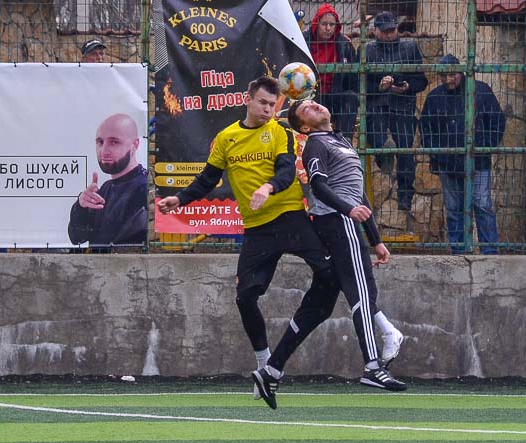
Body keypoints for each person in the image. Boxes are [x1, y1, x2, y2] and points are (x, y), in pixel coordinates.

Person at [157, 76, 341, 410]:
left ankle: (284, 356)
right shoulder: (227, 138)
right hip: (257, 229)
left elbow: (286, 173)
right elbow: (207, 180)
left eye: (273, 105)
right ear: (248, 99)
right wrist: (179, 200)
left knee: (331, 275)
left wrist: (267, 188)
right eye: (263, 103)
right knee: (245, 297)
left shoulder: (280, 133)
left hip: (291, 219)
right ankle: (264, 364)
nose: (269, 110)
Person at [288, 98, 406, 391]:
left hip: (348, 221)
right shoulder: (316, 144)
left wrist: (376, 240)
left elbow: (359, 195)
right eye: (307, 109)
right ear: (304, 126)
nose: (315, 106)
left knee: (357, 291)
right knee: (361, 294)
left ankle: (272, 368)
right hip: (335, 221)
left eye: (314, 102)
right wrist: (346, 210)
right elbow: (318, 186)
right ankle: (373, 366)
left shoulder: (339, 140)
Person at [420, 54, 506, 254]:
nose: (448, 80)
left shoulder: (480, 91)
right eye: (444, 76)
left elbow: (497, 122)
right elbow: (426, 129)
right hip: (448, 163)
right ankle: (459, 251)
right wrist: (438, 154)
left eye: (452, 75)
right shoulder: (435, 97)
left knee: (482, 205)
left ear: (460, 72)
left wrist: (486, 146)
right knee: (454, 208)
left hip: (478, 161)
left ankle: (489, 252)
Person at [364, 11, 428, 212]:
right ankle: (384, 156)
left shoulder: (409, 48)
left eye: (393, 30)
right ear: (376, 31)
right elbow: (360, 85)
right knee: (377, 141)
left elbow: (422, 80)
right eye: (386, 31)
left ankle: (405, 196)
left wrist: (407, 85)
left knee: (405, 152)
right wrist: (380, 87)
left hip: (403, 105)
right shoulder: (368, 51)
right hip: (377, 105)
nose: (391, 34)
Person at [68, 113, 148, 247]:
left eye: (114, 142)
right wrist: (81, 205)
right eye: (100, 142)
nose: (104, 151)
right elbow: (77, 237)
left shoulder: (143, 188)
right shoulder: (105, 188)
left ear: (134, 145)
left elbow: (126, 245)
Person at [303, 4, 358, 141]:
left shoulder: (345, 44)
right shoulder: (303, 40)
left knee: (350, 97)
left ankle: (344, 142)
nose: (328, 28)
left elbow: (352, 80)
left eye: (332, 25)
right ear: (317, 23)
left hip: (335, 94)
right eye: (324, 24)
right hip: (311, 95)